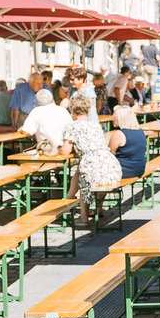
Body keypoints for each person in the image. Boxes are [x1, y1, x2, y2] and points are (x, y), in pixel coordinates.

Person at [59, 94, 122, 225]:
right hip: (110, 164)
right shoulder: (95, 125)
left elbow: (65, 151)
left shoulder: (71, 126)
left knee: (84, 177)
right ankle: (97, 208)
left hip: (91, 164)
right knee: (82, 171)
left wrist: (59, 148)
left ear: (72, 110)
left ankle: (83, 218)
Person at [19, 89, 73, 155]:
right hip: (65, 148)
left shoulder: (36, 111)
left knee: (24, 154)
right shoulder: (63, 110)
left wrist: (21, 129)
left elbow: (27, 131)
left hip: (48, 150)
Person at [106, 105, 147, 179]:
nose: (112, 118)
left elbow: (109, 155)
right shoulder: (141, 132)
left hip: (124, 170)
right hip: (140, 169)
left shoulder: (119, 134)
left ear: (121, 118)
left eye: (115, 116)